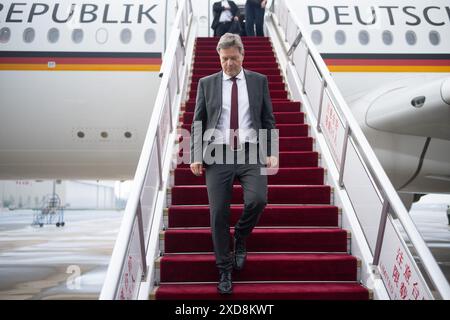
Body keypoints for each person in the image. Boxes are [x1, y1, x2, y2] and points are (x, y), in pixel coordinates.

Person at [189, 33, 278, 294]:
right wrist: (195, 154)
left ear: (242, 56)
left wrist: (272, 150)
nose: (228, 64)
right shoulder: (207, 83)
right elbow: (198, 122)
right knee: (218, 214)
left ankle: (240, 235)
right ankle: (224, 269)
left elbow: (268, 118)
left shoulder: (259, 81)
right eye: (224, 59)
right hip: (218, 154)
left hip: (251, 151)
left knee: (258, 200)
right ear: (219, 57)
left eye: (233, 59)